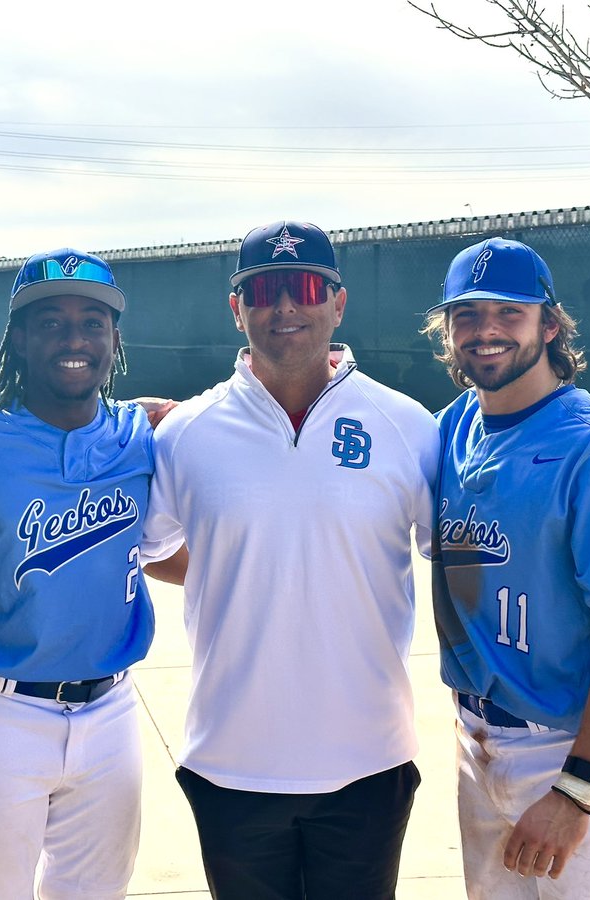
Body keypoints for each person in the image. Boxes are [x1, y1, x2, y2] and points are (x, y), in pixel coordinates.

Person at [142, 220, 439, 899]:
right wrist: (236, 566)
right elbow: (153, 550)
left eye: (305, 287)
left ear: (337, 302)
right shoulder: (187, 433)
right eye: (265, 290)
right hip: (231, 765)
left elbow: (456, 559)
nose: (285, 308)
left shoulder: (408, 427)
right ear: (237, 307)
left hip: (368, 763)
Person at [422, 237, 590, 898]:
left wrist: (576, 788)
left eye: (510, 313)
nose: (486, 331)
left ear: (550, 324)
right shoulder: (453, 428)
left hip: (571, 750)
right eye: (468, 315)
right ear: (447, 331)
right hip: (477, 743)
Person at [0, 248, 155, 899]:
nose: (74, 339)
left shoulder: (140, 433)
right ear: (20, 339)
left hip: (112, 709)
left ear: (114, 340)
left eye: (93, 322)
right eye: (51, 322)